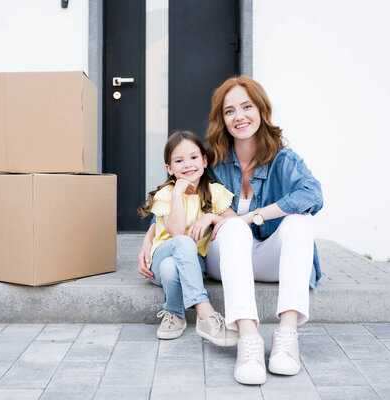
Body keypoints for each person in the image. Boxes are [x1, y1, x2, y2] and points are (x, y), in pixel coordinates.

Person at [137, 77, 323, 385]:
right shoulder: (215, 161)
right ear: (221, 119)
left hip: (268, 257)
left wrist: (253, 217)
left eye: (247, 107)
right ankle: (249, 340)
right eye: (230, 111)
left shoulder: (284, 159)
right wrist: (149, 240)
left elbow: (313, 196)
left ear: (261, 110)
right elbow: (177, 195)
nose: (239, 117)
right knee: (234, 230)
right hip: (226, 256)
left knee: (299, 221)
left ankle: (287, 336)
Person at [138, 130, 239, 346]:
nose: (187, 165)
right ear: (169, 168)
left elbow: (237, 225)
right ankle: (204, 311)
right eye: (179, 160)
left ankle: (174, 314)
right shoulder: (166, 194)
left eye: (193, 158)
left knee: (171, 267)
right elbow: (176, 233)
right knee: (182, 243)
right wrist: (177, 194)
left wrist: (211, 217)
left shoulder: (215, 192)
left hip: (189, 263)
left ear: (204, 161)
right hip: (158, 258)